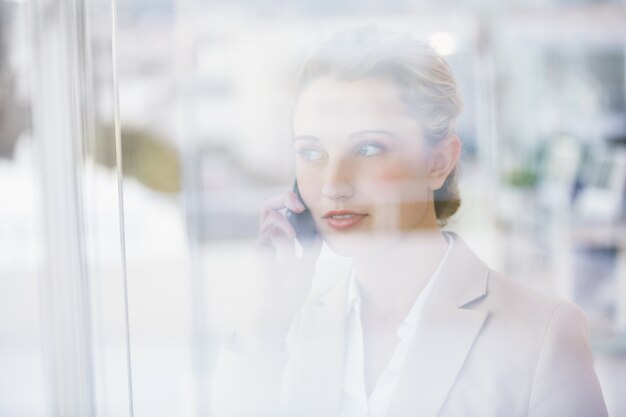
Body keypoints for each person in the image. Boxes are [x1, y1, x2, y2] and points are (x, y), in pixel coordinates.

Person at [211, 27, 608, 417]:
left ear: (439, 162)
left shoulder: (542, 336)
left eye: (367, 148)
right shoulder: (290, 329)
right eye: (311, 153)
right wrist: (265, 327)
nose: (333, 185)